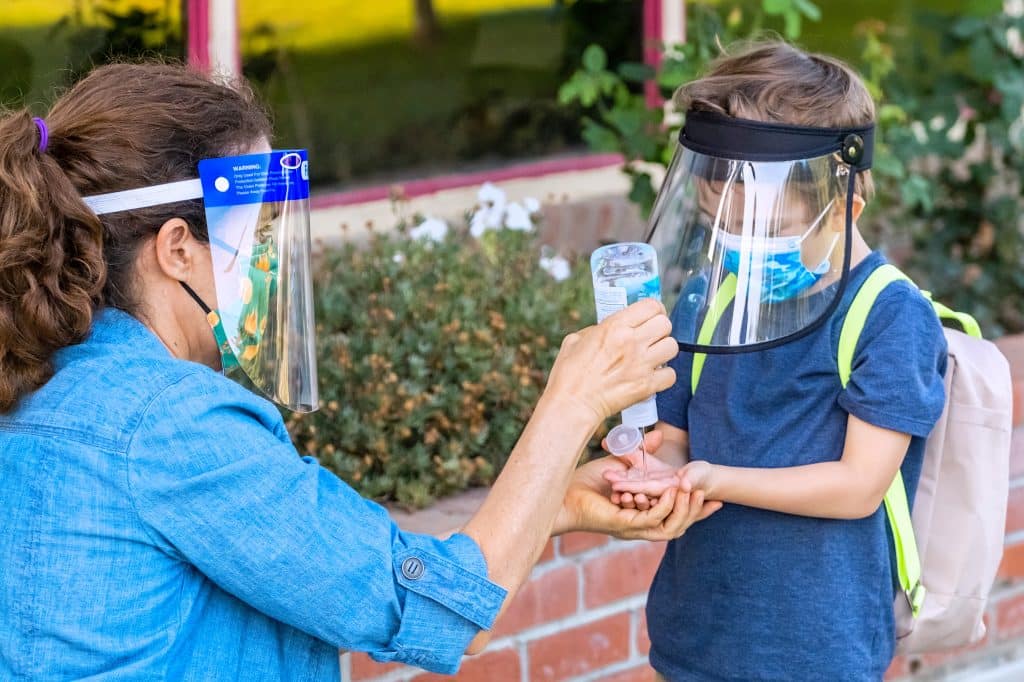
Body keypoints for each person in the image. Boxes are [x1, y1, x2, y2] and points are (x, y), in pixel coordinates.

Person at [0, 63, 720, 680]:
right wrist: (573, 401)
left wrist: (557, 503)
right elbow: (435, 613)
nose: (265, 266)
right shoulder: (169, 427)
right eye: (257, 236)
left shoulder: (45, 375)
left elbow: (345, 562)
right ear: (178, 249)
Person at [605, 42, 948, 680]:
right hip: (696, 634)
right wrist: (656, 470)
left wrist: (714, 479)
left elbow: (857, 488)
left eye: (764, 228)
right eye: (722, 228)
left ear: (846, 195)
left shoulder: (888, 316)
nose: (740, 246)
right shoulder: (709, 300)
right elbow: (678, 441)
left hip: (820, 647)